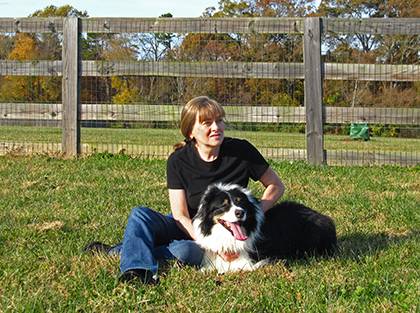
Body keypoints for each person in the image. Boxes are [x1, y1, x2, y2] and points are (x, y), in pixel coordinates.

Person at [84, 96, 285, 284]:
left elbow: (276, 186)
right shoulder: (178, 160)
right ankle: (137, 270)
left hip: (221, 231)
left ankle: (119, 251)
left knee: (184, 252)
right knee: (140, 215)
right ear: (190, 132)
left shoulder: (242, 151)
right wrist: (207, 243)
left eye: (219, 120)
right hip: (186, 225)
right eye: (207, 123)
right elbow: (180, 214)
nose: (216, 127)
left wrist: (257, 211)